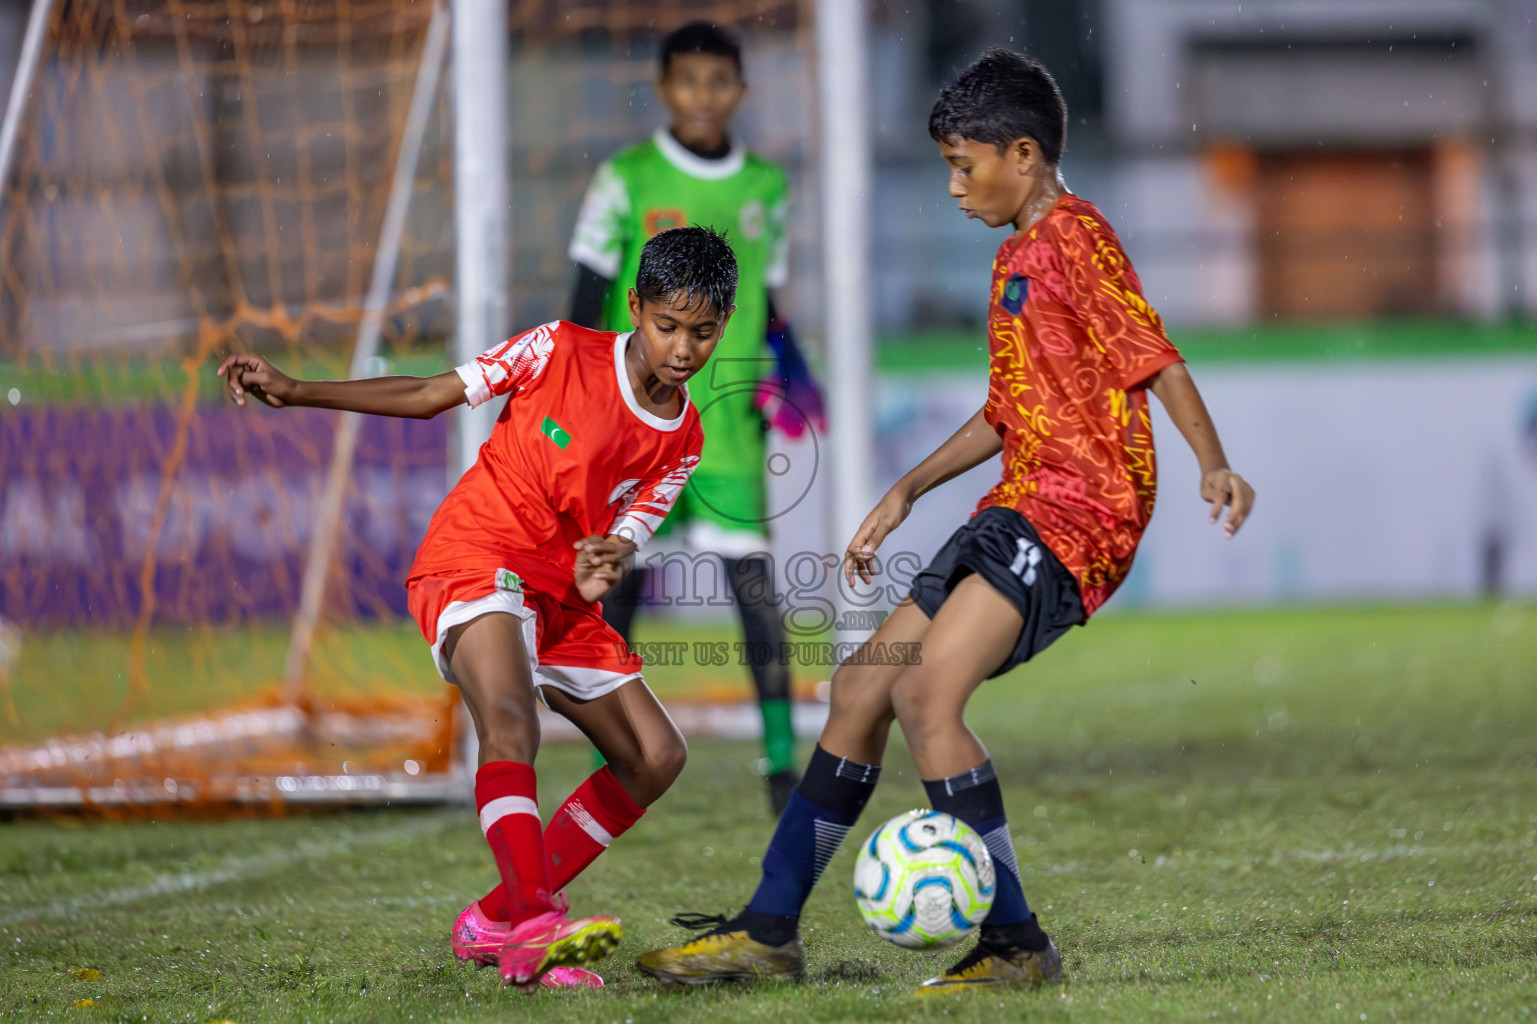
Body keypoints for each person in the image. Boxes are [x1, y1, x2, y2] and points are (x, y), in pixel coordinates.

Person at [634, 49, 1255, 994]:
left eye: (965, 167)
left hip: (1081, 516)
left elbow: (1154, 356)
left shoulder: (1078, 238)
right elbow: (1007, 412)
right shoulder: (1016, 254)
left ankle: (1014, 944)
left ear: (1025, 154)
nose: (955, 188)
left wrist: (1212, 461)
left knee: (925, 698)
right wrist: (907, 490)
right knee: (860, 688)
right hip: (1015, 507)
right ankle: (766, 932)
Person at [217, 226, 739, 992]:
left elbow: (628, 529)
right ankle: (536, 927)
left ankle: (495, 917)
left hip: (557, 594)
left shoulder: (685, 435)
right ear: (635, 306)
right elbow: (432, 394)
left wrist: (610, 557)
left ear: (722, 326)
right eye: (667, 326)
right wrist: (296, 389)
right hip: (478, 555)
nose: (682, 348)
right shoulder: (557, 349)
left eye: (701, 332)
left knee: (656, 756)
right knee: (508, 716)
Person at [568, 21, 806, 815]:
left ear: (739, 91)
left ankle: (780, 765)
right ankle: (619, 748)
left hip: (728, 428)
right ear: (664, 89)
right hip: (635, 422)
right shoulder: (625, 178)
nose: (703, 97)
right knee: (621, 586)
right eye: (688, 81)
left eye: (719, 82)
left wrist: (792, 371)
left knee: (755, 594)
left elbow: (767, 303)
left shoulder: (765, 188)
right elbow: (582, 299)